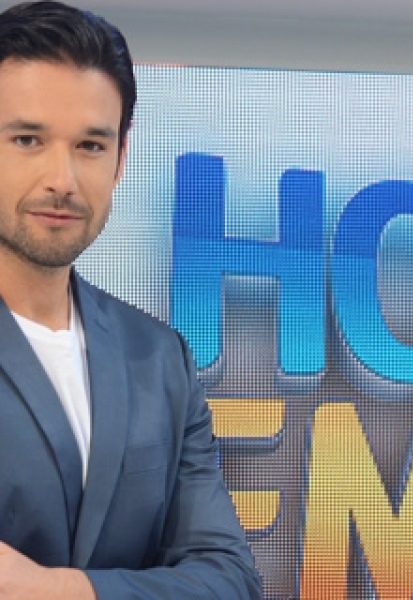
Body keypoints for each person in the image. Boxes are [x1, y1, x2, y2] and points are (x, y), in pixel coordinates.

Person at [0, 1, 262, 598]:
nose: (62, 179)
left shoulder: (159, 357)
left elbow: (229, 579)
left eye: (90, 146)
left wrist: (59, 590)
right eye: (28, 139)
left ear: (121, 160)